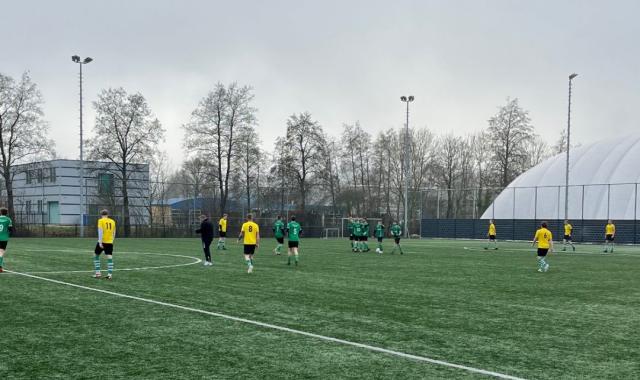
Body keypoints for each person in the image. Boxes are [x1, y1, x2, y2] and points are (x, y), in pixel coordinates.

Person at [94, 210, 116, 280]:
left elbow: (100, 231)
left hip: (102, 241)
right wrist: (112, 240)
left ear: (101, 214)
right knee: (109, 257)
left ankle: (98, 273)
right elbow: (114, 232)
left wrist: (100, 242)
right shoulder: (112, 221)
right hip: (110, 241)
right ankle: (109, 274)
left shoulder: (100, 221)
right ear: (108, 214)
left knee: (96, 255)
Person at [0, 208, 14, 273]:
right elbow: (10, 230)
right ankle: (0, 267)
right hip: (4, 239)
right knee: (1, 253)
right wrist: (8, 233)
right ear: (6, 213)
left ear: (1, 212)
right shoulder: (8, 220)